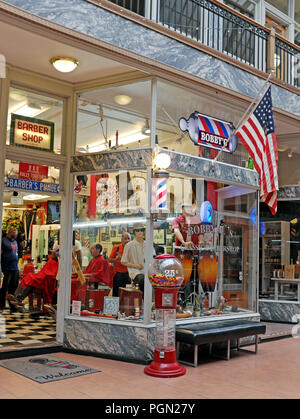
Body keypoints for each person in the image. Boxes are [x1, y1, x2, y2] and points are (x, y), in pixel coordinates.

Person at [121, 223, 145, 293]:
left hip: (147, 271)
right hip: (135, 273)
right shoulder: (129, 246)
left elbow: (153, 258)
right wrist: (135, 266)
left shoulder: (148, 244)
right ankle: (143, 301)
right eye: (138, 230)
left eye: (142, 230)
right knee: (142, 280)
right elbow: (123, 261)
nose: (140, 232)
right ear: (134, 232)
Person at [0, 227, 19, 312]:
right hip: (6, 268)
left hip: (14, 268)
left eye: (17, 233)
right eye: (15, 232)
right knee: (4, 288)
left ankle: (12, 305)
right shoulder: (3, 241)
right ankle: (1, 305)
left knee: (13, 287)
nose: (16, 234)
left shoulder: (15, 242)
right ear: (10, 232)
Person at [108, 232, 131, 297]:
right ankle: (116, 306)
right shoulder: (116, 248)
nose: (127, 240)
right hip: (118, 274)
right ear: (122, 239)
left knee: (126, 294)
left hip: (128, 274)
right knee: (116, 293)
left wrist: (122, 258)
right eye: (125, 238)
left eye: (128, 239)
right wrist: (116, 259)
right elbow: (109, 259)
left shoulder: (132, 249)